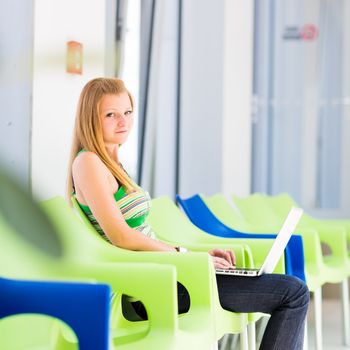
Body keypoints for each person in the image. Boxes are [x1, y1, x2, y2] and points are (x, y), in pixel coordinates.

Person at [67, 77, 309, 349]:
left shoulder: (114, 164)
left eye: (127, 112)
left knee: (292, 288)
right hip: (149, 287)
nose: (123, 122)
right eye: (111, 114)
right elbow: (121, 237)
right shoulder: (88, 162)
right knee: (293, 293)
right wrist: (184, 256)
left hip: (170, 274)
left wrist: (196, 256)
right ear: (90, 118)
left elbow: (143, 236)